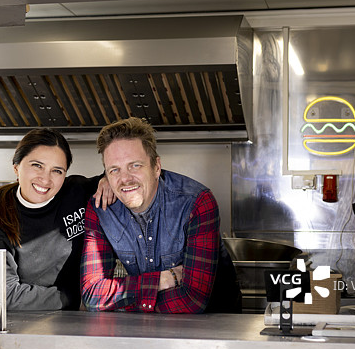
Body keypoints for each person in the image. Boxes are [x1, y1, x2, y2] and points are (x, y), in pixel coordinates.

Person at [80, 117, 241, 313]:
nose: (125, 179)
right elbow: (92, 295)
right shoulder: (101, 209)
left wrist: (122, 302)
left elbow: (193, 300)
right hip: (142, 331)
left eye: (135, 165)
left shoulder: (195, 202)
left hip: (215, 326)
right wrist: (165, 279)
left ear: (156, 167)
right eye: (114, 170)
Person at [0, 128, 113, 311]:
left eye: (57, 171)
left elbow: (117, 177)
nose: (45, 179)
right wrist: (76, 297)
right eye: (37, 165)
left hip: (80, 319)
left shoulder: (77, 192)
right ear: (16, 167)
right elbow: (3, 295)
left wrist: (107, 179)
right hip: (23, 322)